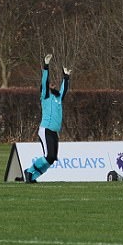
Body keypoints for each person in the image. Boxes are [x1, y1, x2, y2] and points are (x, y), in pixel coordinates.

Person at [24, 54, 71, 183]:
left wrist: (66, 77)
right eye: (50, 85)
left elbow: (64, 90)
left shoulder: (58, 98)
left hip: (54, 132)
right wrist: (46, 66)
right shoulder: (45, 97)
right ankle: (29, 171)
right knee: (48, 156)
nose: (52, 85)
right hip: (46, 129)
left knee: (51, 159)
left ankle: (33, 177)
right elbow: (44, 81)